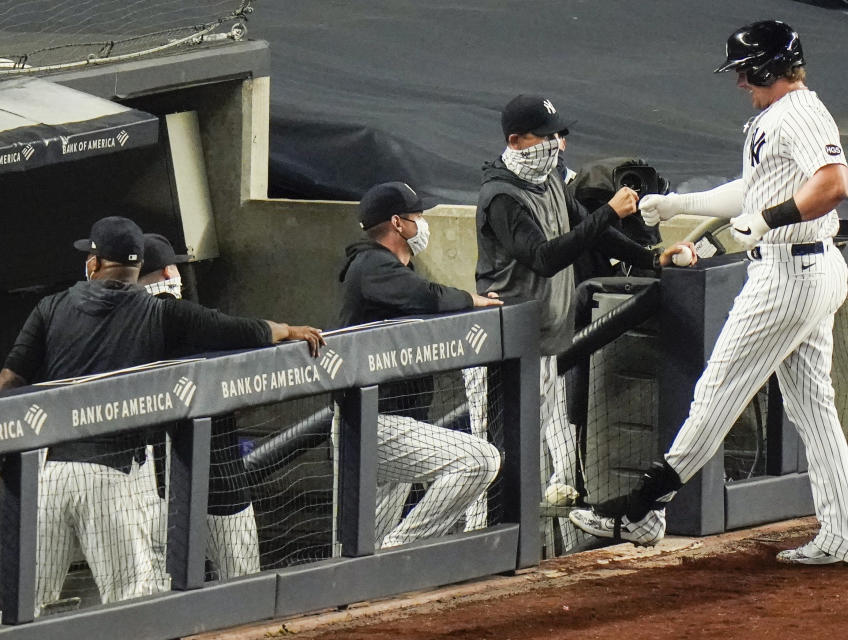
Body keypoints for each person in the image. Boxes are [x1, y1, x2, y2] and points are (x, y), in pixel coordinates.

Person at [569, 20, 848, 566]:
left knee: (717, 391)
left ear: (766, 66)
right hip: (806, 268)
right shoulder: (776, 118)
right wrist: (681, 204)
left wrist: (770, 220)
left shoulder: (797, 111)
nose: (739, 83)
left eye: (743, 71)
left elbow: (834, 184)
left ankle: (642, 506)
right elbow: (751, 190)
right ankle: (844, 533)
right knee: (814, 410)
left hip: (788, 274)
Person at [0, 216, 324, 612]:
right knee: (133, 603)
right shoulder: (160, 314)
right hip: (113, 481)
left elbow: (10, 383)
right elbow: (241, 330)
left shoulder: (51, 307)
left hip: (49, 476)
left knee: (23, 604)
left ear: (96, 263)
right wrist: (288, 329)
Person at [476, 94, 696, 549]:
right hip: (501, 350)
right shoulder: (501, 194)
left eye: (559, 134)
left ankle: (527, 557)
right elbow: (543, 257)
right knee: (494, 461)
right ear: (516, 141)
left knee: (550, 465)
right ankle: (480, 554)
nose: (557, 143)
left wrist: (652, 256)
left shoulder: (550, 181)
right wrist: (609, 211)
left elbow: (596, 231)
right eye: (546, 135)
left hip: (548, 344)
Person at [338, 181, 503, 547]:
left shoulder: (389, 267)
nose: (423, 223)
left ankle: (381, 569)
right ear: (398, 223)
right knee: (479, 460)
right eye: (418, 216)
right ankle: (402, 552)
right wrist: (472, 300)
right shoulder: (371, 265)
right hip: (375, 423)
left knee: (367, 546)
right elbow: (425, 297)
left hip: (391, 419)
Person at [138, 232, 261, 581]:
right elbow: (253, 340)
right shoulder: (196, 319)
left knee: (163, 587)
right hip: (220, 474)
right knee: (241, 585)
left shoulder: (124, 328)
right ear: (167, 272)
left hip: (160, 483)